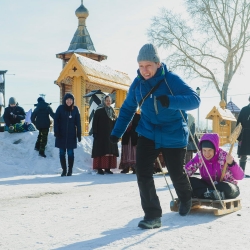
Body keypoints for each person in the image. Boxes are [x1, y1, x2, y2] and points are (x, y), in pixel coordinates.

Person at [110, 43, 200, 229]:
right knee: (142, 173)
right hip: (148, 132)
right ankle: (152, 215)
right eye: (141, 66)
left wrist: (171, 101)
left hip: (173, 133)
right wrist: (115, 133)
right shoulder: (137, 84)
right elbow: (127, 109)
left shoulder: (171, 80)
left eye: (148, 65)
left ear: (158, 64)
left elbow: (194, 100)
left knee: (176, 173)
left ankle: (185, 197)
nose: (145, 70)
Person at [185, 133, 244, 200]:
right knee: (188, 181)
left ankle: (204, 193)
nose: (207, 154)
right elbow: (187, 170)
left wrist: (232, 163)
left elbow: (240, 176)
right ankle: (211, 193)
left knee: (226, 187)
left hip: (225, 186)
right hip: (207, 185)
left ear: (215, 149)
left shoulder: (224, 156)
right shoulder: (200, 157)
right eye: (204, 150)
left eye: (210, 150)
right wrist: (179, 177)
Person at [54, 93, 81, 176]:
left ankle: (70, 170)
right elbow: (56, 120)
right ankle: (64, 170)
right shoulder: (60, 108)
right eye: (67, 99)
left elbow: (78, 123)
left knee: (70, 153)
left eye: (71, 99)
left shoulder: (75, 109)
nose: (69, 101)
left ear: (73, 101)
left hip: (71, 135)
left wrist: (79, 134)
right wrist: (56, 131)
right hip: (61, 135)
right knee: (62, 153)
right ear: (64, 100)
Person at [91, 95, 119, 175]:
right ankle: (99, 168)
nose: (108, 102)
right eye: (107, 100)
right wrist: (95, 132)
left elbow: (114, 122)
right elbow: (95, 122)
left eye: (109, 100)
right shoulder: (99, 111)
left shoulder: (112, 111)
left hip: (110, 134)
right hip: (101, 135)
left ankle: (108, 168)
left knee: (109, 151)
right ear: (104, 101)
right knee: (101, 151)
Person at [236, 96, 250, 177]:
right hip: (244, 134)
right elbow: (239, 124)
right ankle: (241, 173)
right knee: (243, 155)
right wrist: (238, 136)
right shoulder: (244, 109)